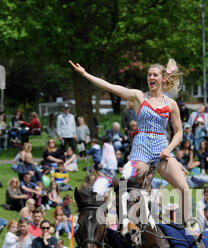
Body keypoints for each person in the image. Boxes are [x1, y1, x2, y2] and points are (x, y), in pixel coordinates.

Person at [69, 57, 191, 223]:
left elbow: (179, 132)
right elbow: (110, 87)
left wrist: (168, 149)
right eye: (149, 75)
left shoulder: (171, 104)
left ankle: (187, 228)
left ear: (163, 78)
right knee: (129, 185)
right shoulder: (138, 96)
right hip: (141, 146)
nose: (151, 78)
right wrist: (85, 74)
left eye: (154, 75)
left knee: (184, 188)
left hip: (162, 146)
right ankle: (123, 221)